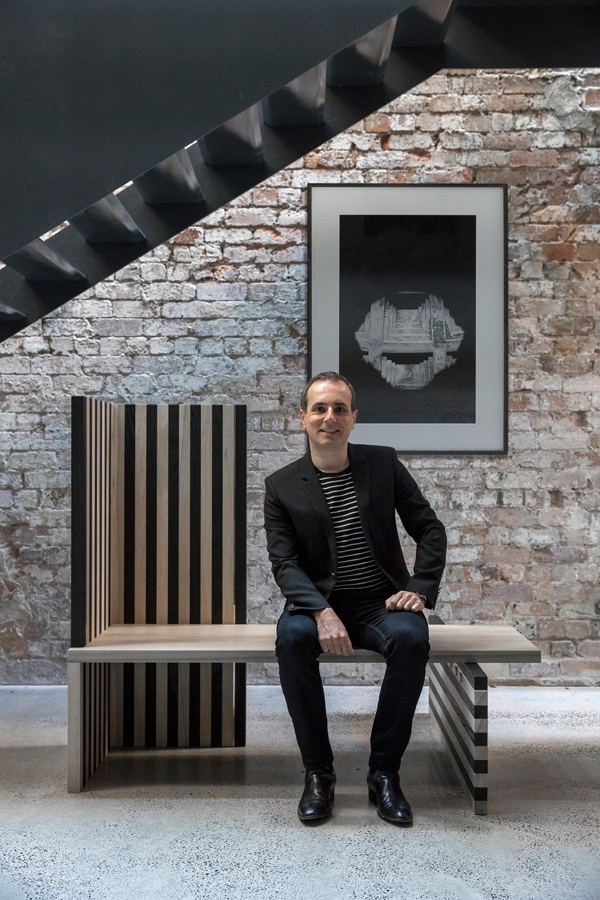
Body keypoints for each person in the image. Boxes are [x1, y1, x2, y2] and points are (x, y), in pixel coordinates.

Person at [263, 371, 447, 825]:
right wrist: (321, 611)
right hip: (317, 603)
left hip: (381, 602)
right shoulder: (281, 485)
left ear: (353, 418)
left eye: (340, 408)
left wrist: (419, 588)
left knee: (411, 639)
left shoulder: (382, 464)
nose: (330, 417)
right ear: (302, 417)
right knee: (291, 639)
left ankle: (384, 773)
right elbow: (285, 563)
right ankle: (318, 774)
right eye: (320, 408)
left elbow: (429, 529)